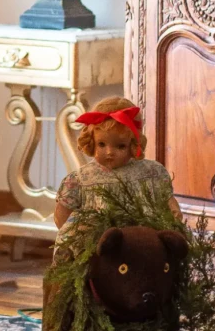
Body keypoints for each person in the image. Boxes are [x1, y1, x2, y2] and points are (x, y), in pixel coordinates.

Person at [53, 96, 182, 261]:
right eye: (102, 144)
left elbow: (167, 199)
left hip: (142, 241)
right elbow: (61, 214)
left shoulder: (151, 172)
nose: (109, 152)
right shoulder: (81, 179)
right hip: (98, 248)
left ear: (133, 144)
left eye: (120, 146)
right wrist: (74, 235)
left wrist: (174, 212)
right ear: (92, 142)